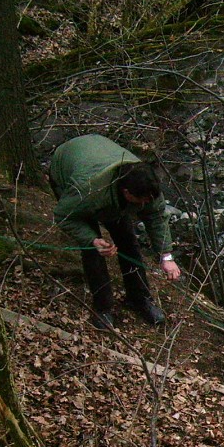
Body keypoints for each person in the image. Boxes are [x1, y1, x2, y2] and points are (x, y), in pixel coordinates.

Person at [49, 134, 181, 330]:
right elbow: (64, 215)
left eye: (148, 200)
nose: (145, 205)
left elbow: (157, 218)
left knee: (128, 241)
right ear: (126, 193)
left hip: (99, 154)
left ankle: (139, 299)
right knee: (93, 251)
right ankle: (103, 308)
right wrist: (92, 239)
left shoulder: (147, 185)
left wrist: (166, 255)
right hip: (68, 167)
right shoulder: (88, 189)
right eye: (141, 201)